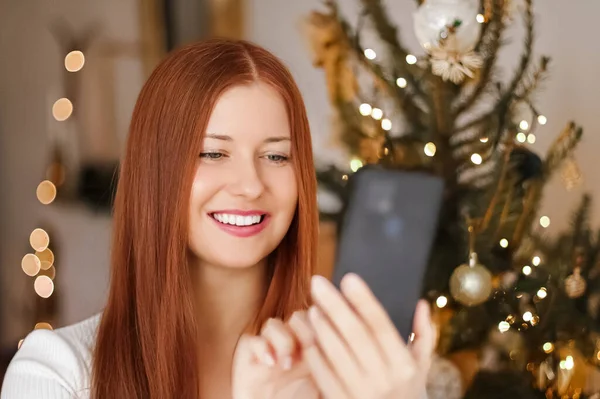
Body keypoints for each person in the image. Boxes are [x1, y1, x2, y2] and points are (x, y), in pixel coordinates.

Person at [1, 38, 434, 399]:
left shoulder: (355, 377)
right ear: (156, 171)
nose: (249, 184)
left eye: (276, 155)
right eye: (212, 153)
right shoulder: (55, 372)